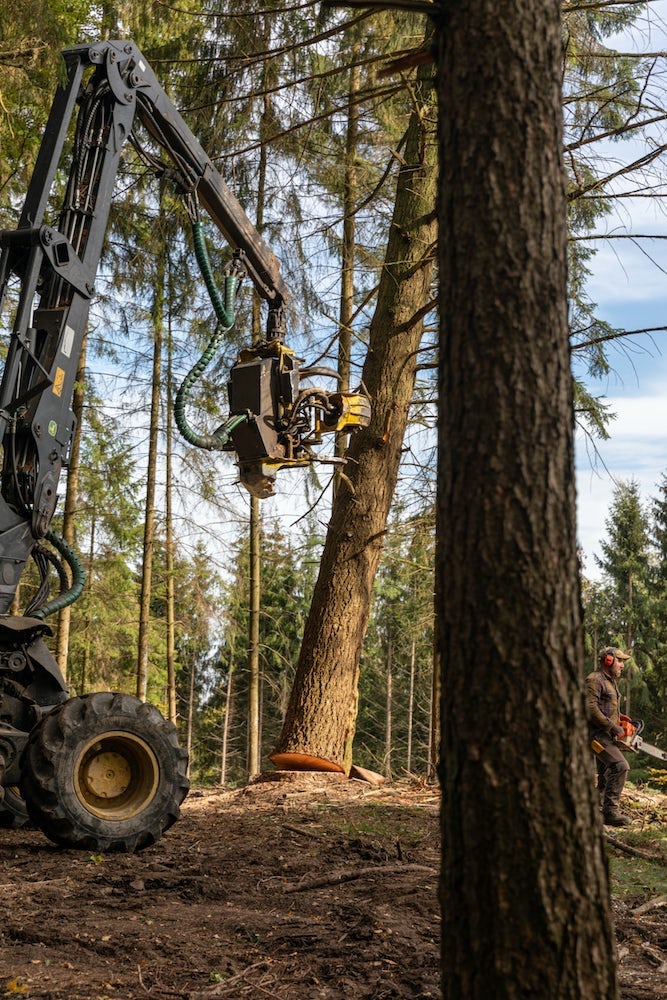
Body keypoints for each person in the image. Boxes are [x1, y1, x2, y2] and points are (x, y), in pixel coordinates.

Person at [585, 647, 633, 827]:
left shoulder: (610, 681)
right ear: (609, 660)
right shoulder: (594, 679)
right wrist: (613, 726)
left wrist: (619, 719)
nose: (622, 665)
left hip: (605, 734)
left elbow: (606, 708)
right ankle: (610, 812)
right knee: (620, 766)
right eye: (620, 661)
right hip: (595, 734)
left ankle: (597, 808)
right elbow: (590, 709)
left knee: (606, 771)